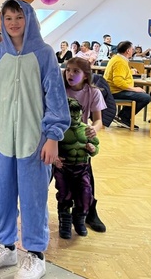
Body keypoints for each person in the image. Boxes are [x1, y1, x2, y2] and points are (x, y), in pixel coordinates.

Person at [0, 0, 70, 279]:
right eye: (8, 18)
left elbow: (56, 97)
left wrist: (53, 137)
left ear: (29, 19)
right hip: (2, 141)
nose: (13, 23)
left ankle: (36, 255)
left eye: (19, 17)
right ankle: (6, 247)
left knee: (34, 198)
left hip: (35, 142)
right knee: (2, 195)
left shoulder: (44, 54)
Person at [63, 58, 108, 233]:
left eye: (76, 71)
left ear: (85, 75)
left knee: (86, 177)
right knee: (52, 175)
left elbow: (98, 120)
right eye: (68, 70)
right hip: (59, 139)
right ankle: (60, 212)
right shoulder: (60, 89)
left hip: (80, 141)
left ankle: (90, 211)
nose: (70, 74)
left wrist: (93, 129)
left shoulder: (93, 92)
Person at [54, 98, 100, 239]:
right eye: (71, 116)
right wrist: (55, 158)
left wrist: (93, 149)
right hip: (64, 169)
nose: (75, 119)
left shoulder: (86, 129)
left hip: (82, 168)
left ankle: (79, 219)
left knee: (86, 195)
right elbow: (50, 146)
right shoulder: (59, 130)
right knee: (64, 195)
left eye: (77, 116)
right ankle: (65, 223)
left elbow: (96, 146)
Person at [105, 41, 151, 130]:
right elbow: (118, 81)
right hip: (115, 91)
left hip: (114, 89)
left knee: (141, 94)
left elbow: (120, 74)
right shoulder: (120, 62)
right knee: (145, 97)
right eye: (132, 49)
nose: (133, 51)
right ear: (128, 51)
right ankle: (124, 117)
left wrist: (130, 72)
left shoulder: (117, 58)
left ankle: (122, 117)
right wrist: (134, 89)